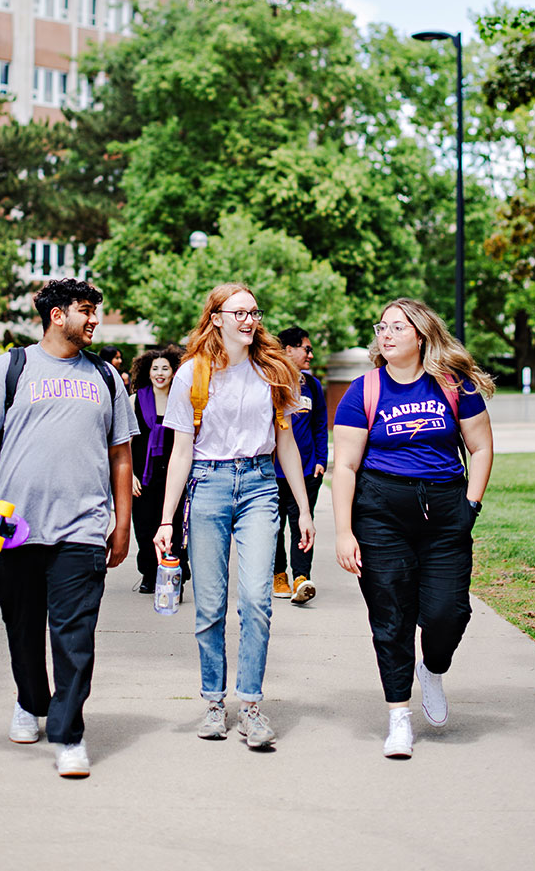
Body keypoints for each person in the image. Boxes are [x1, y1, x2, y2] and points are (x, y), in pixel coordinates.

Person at [0, 279, 137, 779]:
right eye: (85, 310)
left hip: (82, 529)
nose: (95, 319)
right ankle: (29, 699)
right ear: (57, 315)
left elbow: (121, 455)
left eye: (95, 310)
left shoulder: (105, 376)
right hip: (14, 529)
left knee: (74, 636)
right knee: (22, 628)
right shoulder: (11, 368)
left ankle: (68, 732)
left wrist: (122, 526)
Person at [154, 282, 315, 750]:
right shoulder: (191, 374)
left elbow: (285, 442)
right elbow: (180, 452)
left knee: (257, 600)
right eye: (239, 312)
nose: (250, 320)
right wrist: (166, 520)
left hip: (261, 486)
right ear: (216, 317)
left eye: (254, 312)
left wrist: (303, 508)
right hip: (207, 485)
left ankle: (249, 707)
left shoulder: (274, 371)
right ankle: (212, 702)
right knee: (209, 604)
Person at [332, 297, 494, 760]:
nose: (386, 334)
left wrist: (471, 506)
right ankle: (398, 717)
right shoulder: (362, 391)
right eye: (382, 326)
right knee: (391, 617)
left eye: (397, 327)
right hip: (381, 514)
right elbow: (343, 465)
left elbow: (480, 448)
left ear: (420, 335)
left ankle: (434, 668)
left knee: (448, 613)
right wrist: (345, 532)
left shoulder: (453, 386)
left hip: (445, 512)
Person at [273, 325, 328, 605]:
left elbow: (320, 424)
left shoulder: (313, 386)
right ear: (288, 350)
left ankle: (300, 578)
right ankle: (278, 574)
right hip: (272, 472)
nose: (310, 354)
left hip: (306, 472)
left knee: (302, 524)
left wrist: (321, 459)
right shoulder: (269, 382)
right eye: (306, 348)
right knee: (273, 526)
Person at [129, 345, 188, 594]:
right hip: (143, 477)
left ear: (174, 372)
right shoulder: (135, 401)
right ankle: (149, 573)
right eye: (155, 369)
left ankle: (176, 575)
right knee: (144, 527)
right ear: (148, 372)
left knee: (175, 526)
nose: (160, 373)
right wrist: (129, 475)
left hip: (174, 476)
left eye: (165, 368)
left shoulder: (182, 398)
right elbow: (127, 443)